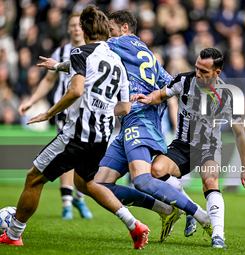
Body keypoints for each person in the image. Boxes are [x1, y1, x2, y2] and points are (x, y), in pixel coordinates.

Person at [37, 9, 209, 243]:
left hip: (139, 120)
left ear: (125, 28)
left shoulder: (116, 44)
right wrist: (158, 97)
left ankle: (200, 215)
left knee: (142, 179)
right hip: (131, 122)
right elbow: (171, 84)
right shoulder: (148, 54)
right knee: (97, 184)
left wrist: (58, 66)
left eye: (111, 28)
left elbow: (89, 58)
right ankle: (166, 209)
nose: (107, 33)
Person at [0, 6, 149, 249]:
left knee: (34, 178)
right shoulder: (117, 62)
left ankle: (14, 234)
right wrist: (57, 66)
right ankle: (135, 226)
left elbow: (77, 89)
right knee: (87, 183)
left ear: (84, 30)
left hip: (77, 135)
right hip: (102, 137)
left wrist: (49, 113)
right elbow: (124, 108)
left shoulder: (80, 51)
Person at [131, 47, 245, 248]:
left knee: (210, 181)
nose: (198, 74)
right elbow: (162, 94)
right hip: (182, 145)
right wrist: (148, 98)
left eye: (204, 72)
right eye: (197, 68)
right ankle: (190, 209)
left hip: (209, 147)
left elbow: (239, 133)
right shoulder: (184, 81)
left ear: (217, 73)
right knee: (156, 170)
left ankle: (218, 235)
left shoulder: (227, 96)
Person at [18, 12, 93, 220]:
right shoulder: (61, 51)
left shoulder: (93, 52)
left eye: (79, 25)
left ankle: (78, 197)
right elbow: (48, 81)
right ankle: (67, 203)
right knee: (66, 154)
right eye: (72, 25)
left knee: (84, 158)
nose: (76, 29)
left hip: (87, 111)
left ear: (84, 29)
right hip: (65, 109)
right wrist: (31, 101)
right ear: (68, 29)